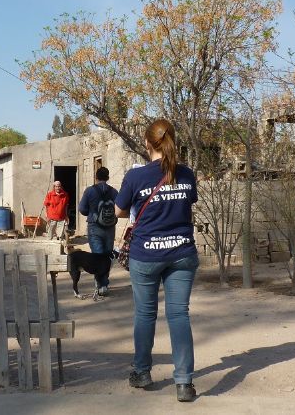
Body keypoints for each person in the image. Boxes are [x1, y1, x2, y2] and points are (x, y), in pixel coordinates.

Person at [114, 119, 199, 403]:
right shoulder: (186, 174)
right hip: (182, 254)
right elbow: (187, 204)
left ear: (147, 143)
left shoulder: (136, 177)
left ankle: (141, 372)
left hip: (147, 254)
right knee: (179, 315)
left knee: (145, 314)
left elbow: (118, 211)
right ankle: (184, 383)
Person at [78, 167, 118, 295]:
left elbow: (82, 209)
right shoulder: (114, 191)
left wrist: (92, 212)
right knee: (106, 256)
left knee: (97, 255)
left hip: (94, 226)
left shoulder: (89, 191)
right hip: (110, 228)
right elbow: (120, 208)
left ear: (96, 177)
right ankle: (104, 284)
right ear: (108, 177)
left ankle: (99, 284)